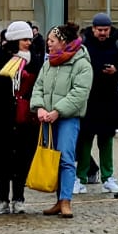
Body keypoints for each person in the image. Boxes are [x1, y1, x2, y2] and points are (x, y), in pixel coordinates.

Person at [29, 23, 93, 219]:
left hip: (67, 118)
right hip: (48, 118)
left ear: (63, 42)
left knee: (65, 158)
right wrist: (39, 107)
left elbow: (79, 94)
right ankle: (58, 200)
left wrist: (57, 111)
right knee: (52, 158)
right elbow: (38, 86)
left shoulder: (82, 64)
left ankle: (65, 200)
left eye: (51, 41)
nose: (48, 44)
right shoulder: (49, 63)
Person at [0, 21, 39, 215]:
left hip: (24, 117)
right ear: (15, 40)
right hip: (1, 115)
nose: (28, 43)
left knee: (22, 157)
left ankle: (19, 197)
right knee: (1, 158)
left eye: (30, 39)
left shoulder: (34, 58)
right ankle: (2, 198)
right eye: (24, 39)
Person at [76, 13, 118, 194]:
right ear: (93, 29)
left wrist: (116, 70)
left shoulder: (117, 46)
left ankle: (108, 177)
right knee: (85, 140)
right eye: (99, 30)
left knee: (106, 140)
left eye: (105, 30)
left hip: (109, 99)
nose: (102, 33)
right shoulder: (83, 47)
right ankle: (80, 178)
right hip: (88, 99)